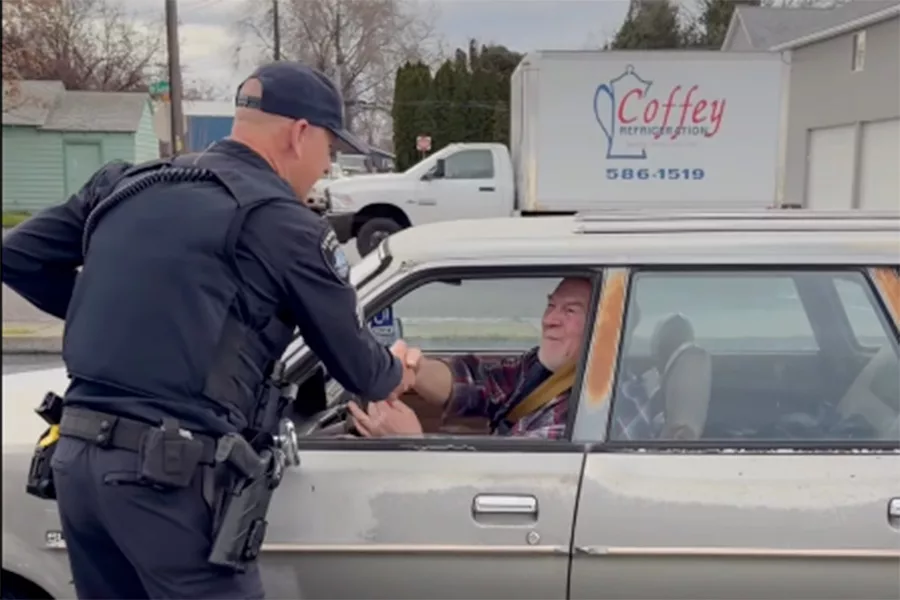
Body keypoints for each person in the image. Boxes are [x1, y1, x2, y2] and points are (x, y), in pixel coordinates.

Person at [1, 61, 415, 599]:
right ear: (299, 134)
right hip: (167, 485)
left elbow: (18, 258)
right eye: (329, 150)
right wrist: (397, 369)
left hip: (77, 465)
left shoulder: (125, 184)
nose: (325, 165)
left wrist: (130, 317)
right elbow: (361, 369)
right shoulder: (284, 224)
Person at [349, 277, 660, 440]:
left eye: (570, 311)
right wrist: (412, 369)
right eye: (551, 306)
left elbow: (508, 477)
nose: (549, 319)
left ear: (606, 329)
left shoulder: (608, 408)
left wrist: (410, 443)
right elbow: (481, 383)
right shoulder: (550, 370)